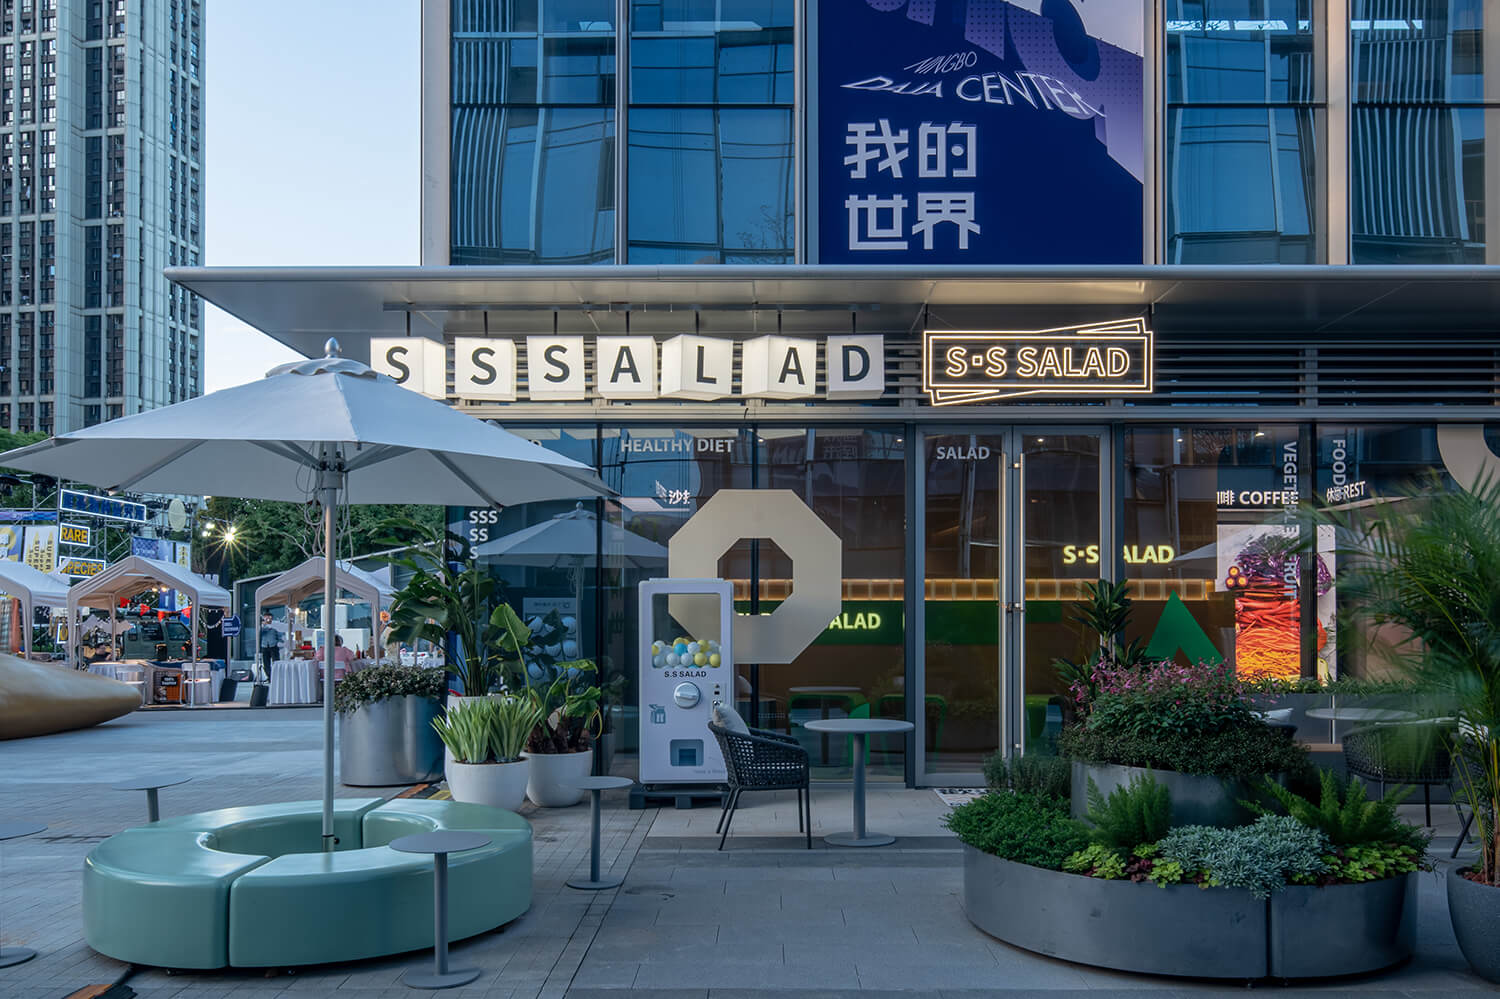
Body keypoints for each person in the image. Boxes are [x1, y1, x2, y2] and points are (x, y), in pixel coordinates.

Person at [257, 613, 279, 682]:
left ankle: (276, 677)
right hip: (264, 646)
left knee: (276, 662)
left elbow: (279, 634)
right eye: (266, 618)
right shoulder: (262, 626)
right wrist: (263, 625)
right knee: (266, 663)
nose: (268, 619)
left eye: (269, 618)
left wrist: (278, 642)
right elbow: (259, 633)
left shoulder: (275, 625)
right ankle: (269, 677)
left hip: (273, 646)